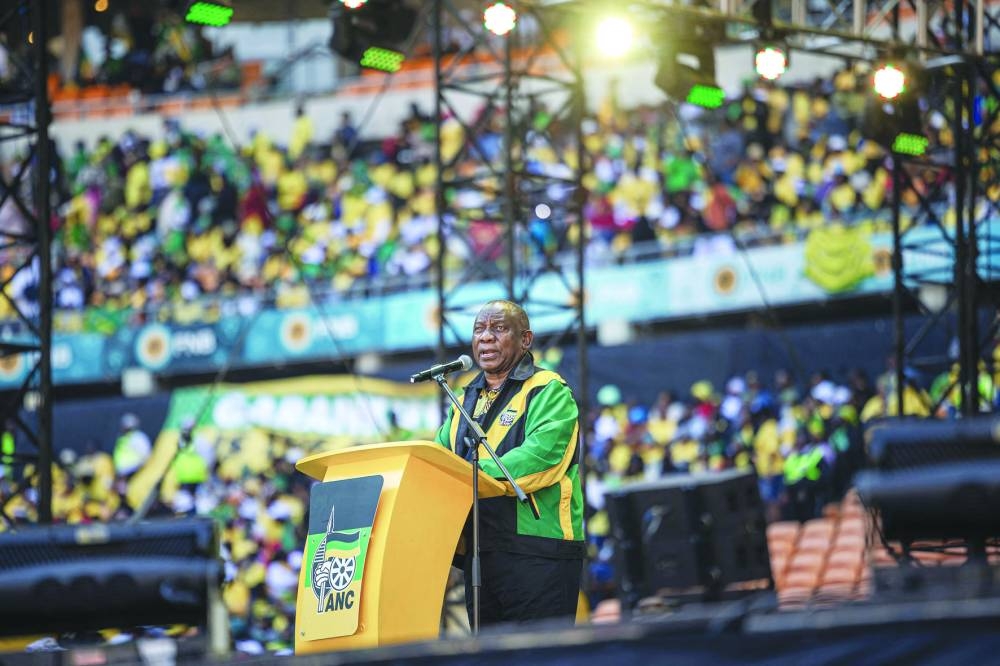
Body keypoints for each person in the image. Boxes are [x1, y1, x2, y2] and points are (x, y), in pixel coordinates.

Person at [434, 300, 585, 626]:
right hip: (480, 552)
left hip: (539, 551)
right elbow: (440, 460)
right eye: (479, 329)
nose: (485, 338)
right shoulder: (463, 398)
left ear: (525, 339)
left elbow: (542, 458)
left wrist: (470, 474)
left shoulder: (548, 390)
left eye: (499, 329)